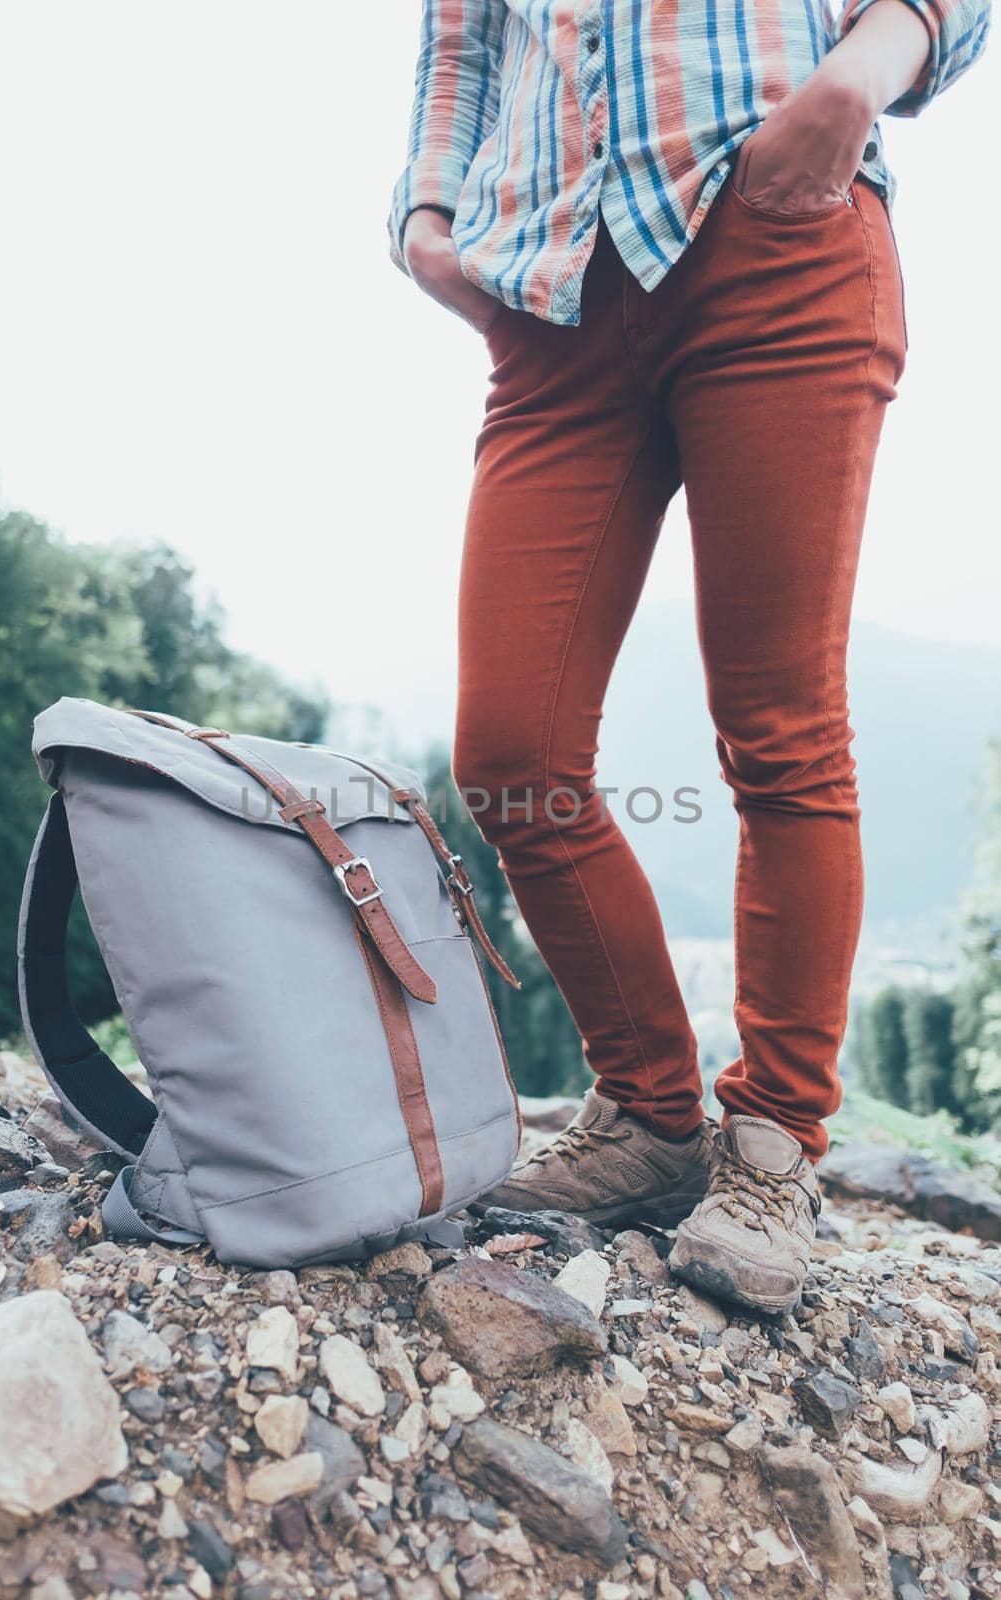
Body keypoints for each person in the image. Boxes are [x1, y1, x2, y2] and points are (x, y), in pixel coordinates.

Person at [387, 0, 990, 1314]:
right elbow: (461, 46)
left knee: (779, 731)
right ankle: (653, 1119)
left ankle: (772, 1147)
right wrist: (430, 224)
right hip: (551, 296)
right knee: (510, 756)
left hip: (778, 231)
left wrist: (849, 88)